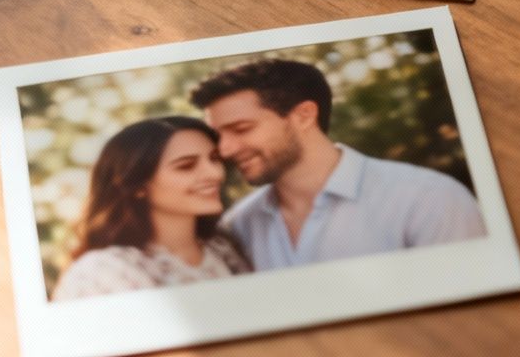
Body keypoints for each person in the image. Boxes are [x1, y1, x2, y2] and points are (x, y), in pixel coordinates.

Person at [191, 59, 485, 270]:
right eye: (218, 136)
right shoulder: (239, 225)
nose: (224, 149)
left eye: (241, 129)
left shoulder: (429, 200)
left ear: (304, 115)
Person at [51, 116, 252, 300]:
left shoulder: (225, 249)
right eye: (186, 166)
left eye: (214, 159)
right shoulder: (103, 271)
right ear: (138, 186)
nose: (214, 174)